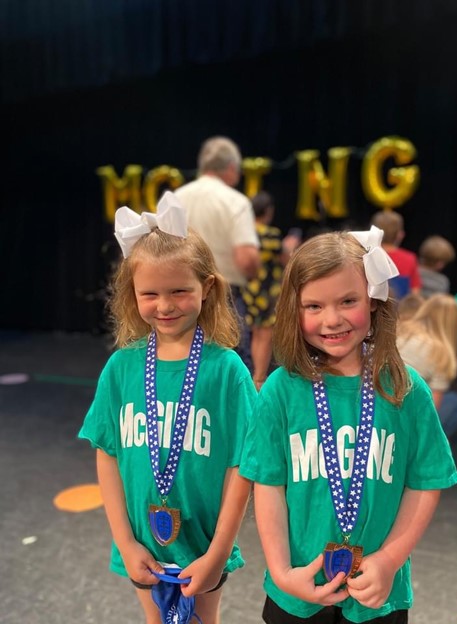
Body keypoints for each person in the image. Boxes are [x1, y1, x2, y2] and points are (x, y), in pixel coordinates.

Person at [239, 225, 457, 623]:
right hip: (298, 595)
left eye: (347, 300)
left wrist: (390, 559)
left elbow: (425, 483)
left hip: (378, 595)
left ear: (373, 300)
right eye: (314, 306)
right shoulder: (280, 390)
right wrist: (282, 572)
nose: (333, 319)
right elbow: (267, 485)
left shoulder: (407, 391)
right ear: (295, 309)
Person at [79, 192, 256, 624]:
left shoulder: (227, 369)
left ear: (207, 288)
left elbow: (244, 465)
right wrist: (125, 541)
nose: (165, 305)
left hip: (204, 544)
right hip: (140, 543)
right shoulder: (121, 368)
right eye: (150, 293)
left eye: (179, 290)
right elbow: (108, 454)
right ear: (132, 293)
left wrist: (217, 552)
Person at [175, 136, 260, 371]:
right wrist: (254, 272)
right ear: (231, 168)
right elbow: (246, 259)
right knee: (230, 368)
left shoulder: (175, 199)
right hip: (226, 297)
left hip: (179, 296)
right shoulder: (235, 202)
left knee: (185, 367)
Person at [242, 191, 301, 389]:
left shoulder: (245, 235)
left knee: (256, 332)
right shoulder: (270, 234)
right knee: (266, 335)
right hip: (268, 292)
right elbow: (288, 260)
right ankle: (259, 378)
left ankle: (256, 375)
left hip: (250, 290)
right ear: (268, 211)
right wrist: (290, 246)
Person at [397, 293, 457, 438]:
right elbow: (432, 406)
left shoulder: (401, 328)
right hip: (405, 417)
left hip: (375, 397)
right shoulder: (442, 354)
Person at [370, 210, 421, 298]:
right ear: (400, 235)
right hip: (400, 310)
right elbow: (415, 294)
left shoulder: (366, 256)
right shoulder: (409, 259)